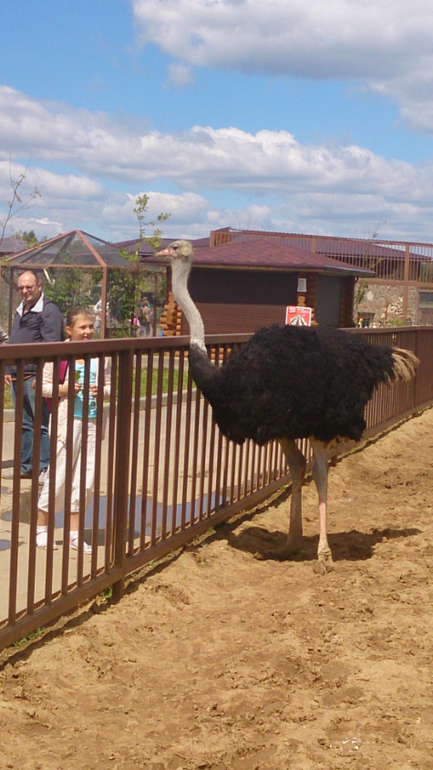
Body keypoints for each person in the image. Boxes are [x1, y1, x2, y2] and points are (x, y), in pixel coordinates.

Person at [36, 308, 111, 553]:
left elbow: (110, 386)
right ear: (69, 330)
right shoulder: (58, 354)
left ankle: (74, 533)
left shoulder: (101, 356)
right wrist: (66, 389)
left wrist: (103, 391)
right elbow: (44, 386)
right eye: (83, 327)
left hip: (92, 423)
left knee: (85, 478)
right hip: (66, 424)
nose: (88, 331)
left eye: (91, 326)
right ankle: (42, 528)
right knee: (58, 475)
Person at [3, 270, 63, 482]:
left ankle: (45, 468)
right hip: (18, 375)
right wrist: (8, 369)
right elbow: (15, 342)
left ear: (39, 286)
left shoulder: (48, 310)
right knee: (25, 424)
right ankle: (26, 466)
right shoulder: (22, 310)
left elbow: (51, 344)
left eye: (29, 286)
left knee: (42, 423)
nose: (25, 291)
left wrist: (43, 374)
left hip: (35, 376)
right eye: (21, 287)